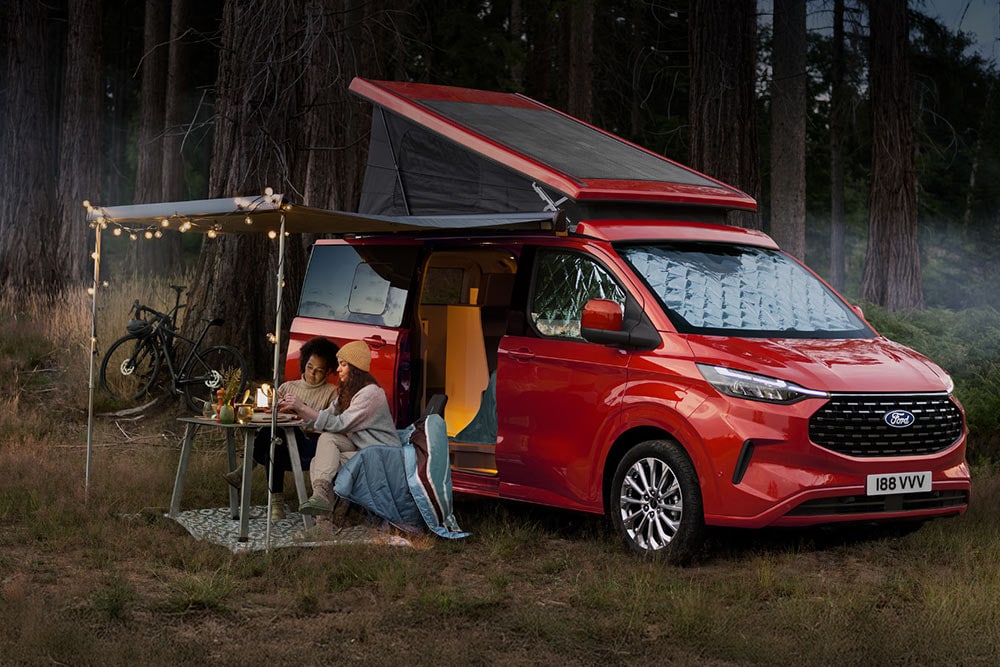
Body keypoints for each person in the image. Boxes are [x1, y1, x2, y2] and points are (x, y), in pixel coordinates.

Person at [278, 339, 399, 519]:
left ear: (355, 368)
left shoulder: (371, 394)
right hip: (362, 449)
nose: (338, 369)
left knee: (320, 462)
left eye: (343, 365)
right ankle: (321, 501)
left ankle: (322, 519)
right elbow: (325, 415)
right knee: (325, 446)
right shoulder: (348, 391)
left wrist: (302, 407)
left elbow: (339, 423)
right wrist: (296, 411)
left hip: (381, 454)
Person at [224, 336, 339, 520]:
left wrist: (301, 410)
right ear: (304, 363)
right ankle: (276, 504)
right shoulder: (287, 387)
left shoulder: (332, 392)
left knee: (276, 435)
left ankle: (246, 470)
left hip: (310, 444)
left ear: (327, 372)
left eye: (319, 371)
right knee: (274, 438)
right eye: (310, 367)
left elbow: (330, 424)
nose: (312, 374)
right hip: (280, 443)